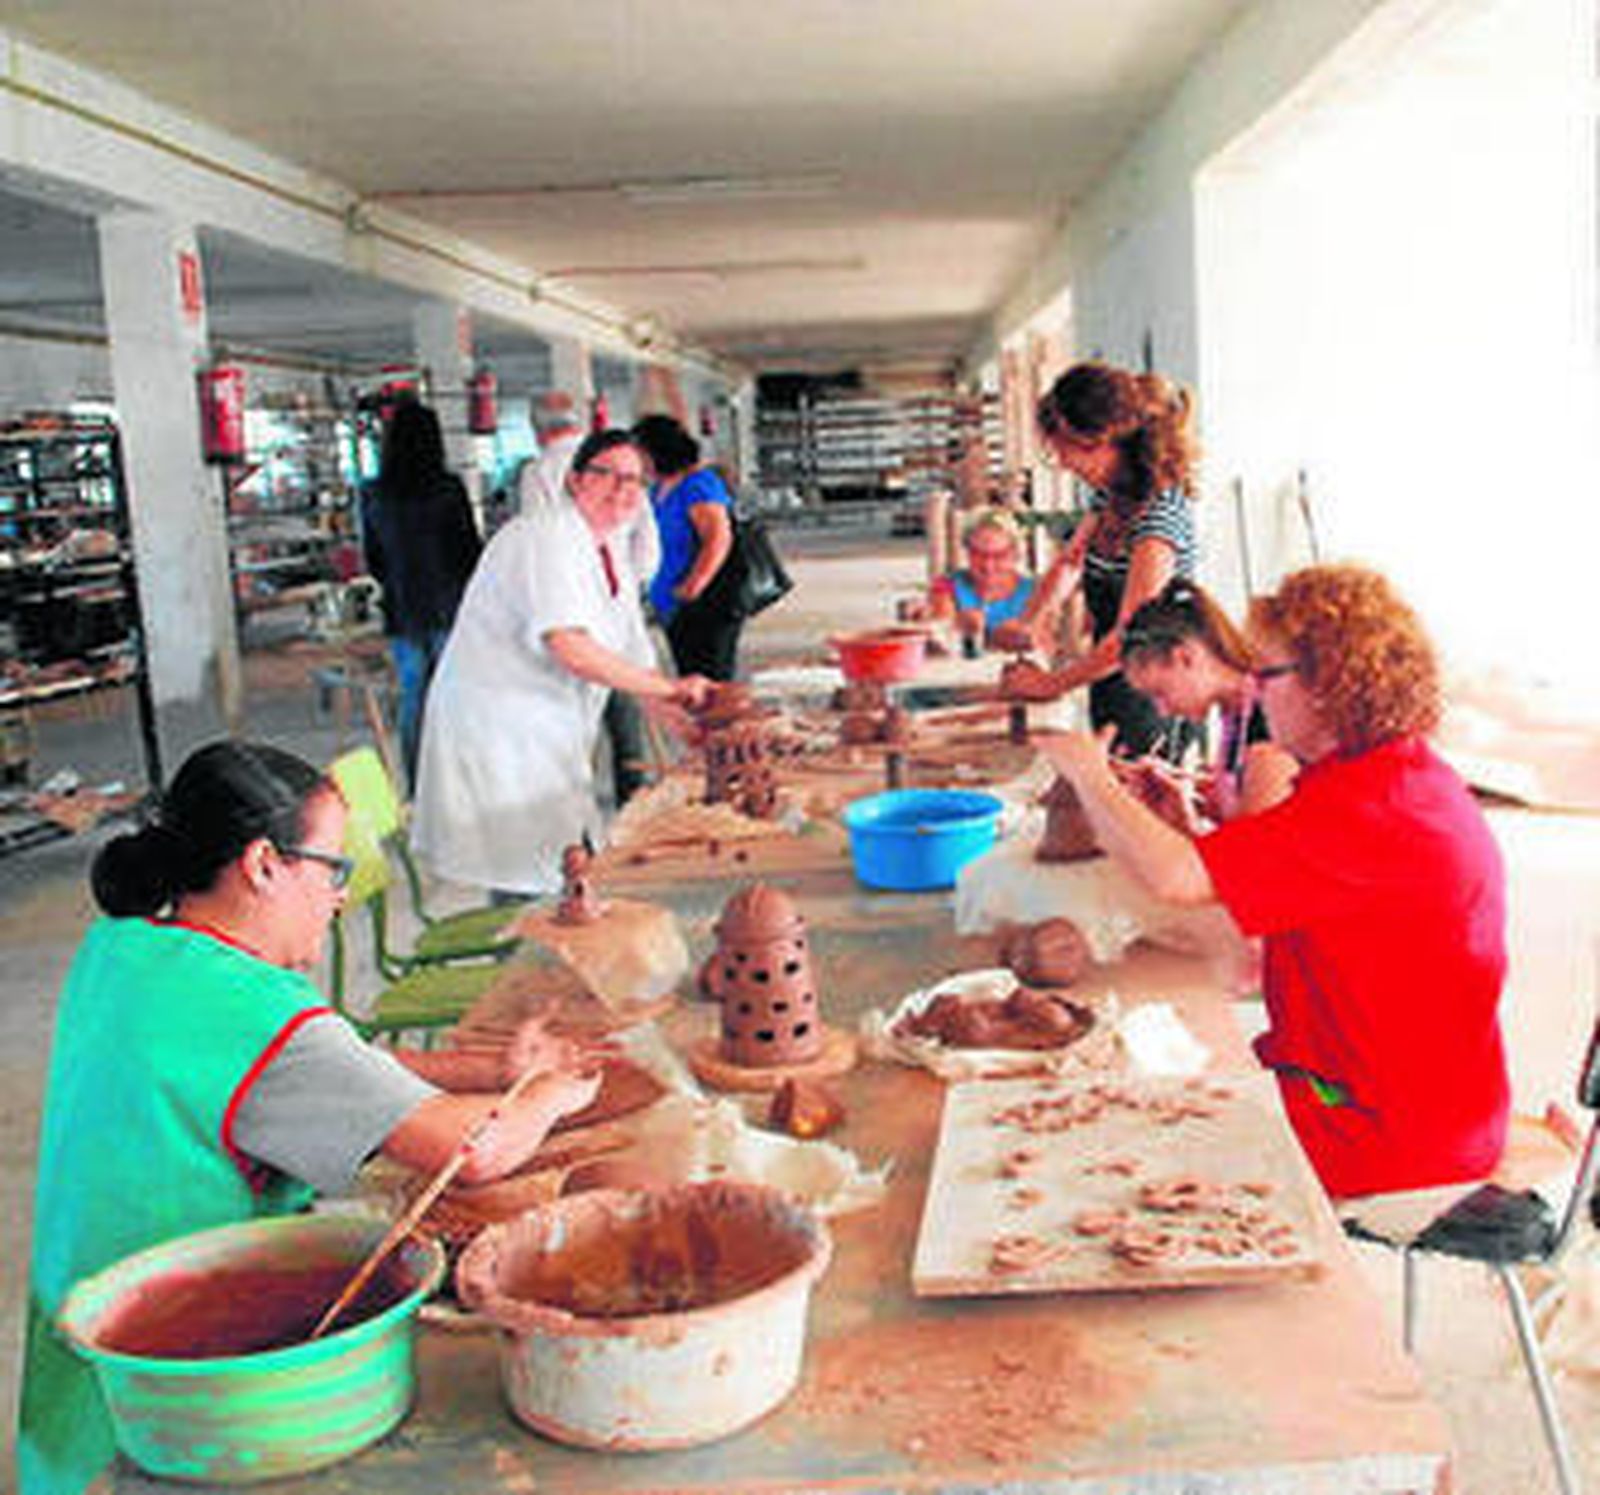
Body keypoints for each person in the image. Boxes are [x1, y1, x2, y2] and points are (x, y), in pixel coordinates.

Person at [20, 740, 602, 1495]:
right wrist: (555, 1092)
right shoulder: (257, 1013)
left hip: (80, 1368)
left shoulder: (128, 949)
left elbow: (325, 1069)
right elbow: (472, 1150)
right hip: (189, 1396)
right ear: (264, 864)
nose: (337, 898)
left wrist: (492, 1072)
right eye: (334, 870)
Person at [1040, 564, 1509, 1199]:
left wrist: (1089, 774)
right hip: (1402, 1092)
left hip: (1385, 1125)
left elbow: (1177, 881)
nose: (1254, 692)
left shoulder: (1371, 807)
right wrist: (1185, 827)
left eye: (1266, 674)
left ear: (1328, 682)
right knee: (1123, 1098)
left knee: (1107, 1157)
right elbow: (1229, 888)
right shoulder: (1385, 774)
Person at [412, 431, 711, 896]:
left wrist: (683, 725)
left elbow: (632, 654)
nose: (621, 489)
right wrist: (670, 692)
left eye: (633, 480)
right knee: (523, 871)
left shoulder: (608, 548)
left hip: (543, 728)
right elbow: (569, 646)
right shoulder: (545, 536)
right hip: (501, 729)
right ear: (574, 481)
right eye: (605, 474)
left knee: (556, 859)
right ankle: (522, 960)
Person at [1009, 361, 1201, 757]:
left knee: (1140, 800)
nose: (1061, 461)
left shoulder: (1159, 514)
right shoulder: (1109, 496)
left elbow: (1132, 636)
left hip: (1157, 689)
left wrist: (1051, 685)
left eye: (1064, 447)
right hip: (1112, 679)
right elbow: (1070, 564)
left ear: (1102, 438)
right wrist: (1031, 620)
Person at [523, 391, 660, 807]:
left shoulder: (539, 471)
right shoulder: (621, 464)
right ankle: (630, 801)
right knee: (624, 718)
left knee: (571, 726)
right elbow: (648, 545)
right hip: (604, 616)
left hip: (571, 612)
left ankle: (574, 815)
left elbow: (538, 545)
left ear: (536, 428)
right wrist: (628, 587)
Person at [359, 400, 483, 792]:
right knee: (454, 695)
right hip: (449, 608)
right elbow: (468, 553)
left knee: (414, 697)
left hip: (402, 611)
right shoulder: (447, 489)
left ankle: (418, 788)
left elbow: (374, 559)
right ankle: (457, 782)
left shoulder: (374, 493)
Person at [1117, 577, 1299, 826]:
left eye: (1160, 692)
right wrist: (1181, 789)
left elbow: (1252, 858)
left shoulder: (1271, 726)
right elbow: (1237, 801)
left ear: (1185, 658)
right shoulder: (1234, 711)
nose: (1162, 710)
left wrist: (1183, 826)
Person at [633, 413, 742, 681]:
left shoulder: (698, 485)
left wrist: (695, 584)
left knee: (710, 678)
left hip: (704, 602)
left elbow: (718, 538)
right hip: (673, 602)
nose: (638, 461)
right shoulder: (659, 487)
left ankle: (723, 723)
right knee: (688, 676)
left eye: (641, 453)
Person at [915, 509, 1038, 653]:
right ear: (967, 552)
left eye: (999, 556)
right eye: (978, 554)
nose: (988, 566)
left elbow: (1038, 639)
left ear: (1016, 555)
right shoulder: (947, 586)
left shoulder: (1035, 590)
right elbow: (941, 632)